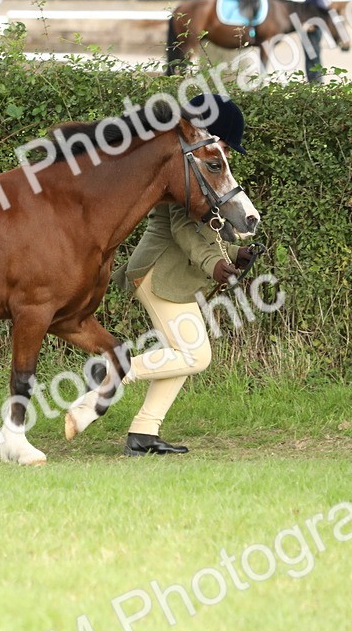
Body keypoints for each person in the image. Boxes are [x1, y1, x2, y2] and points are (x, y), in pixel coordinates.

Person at [110, 95, 258, 456]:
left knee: (182, 355)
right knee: (196, 356)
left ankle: (143, 433)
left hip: (170, 276)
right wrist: (214, 266)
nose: (224, 151)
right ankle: (116, 370)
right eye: (222, 143)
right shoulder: (183, 168)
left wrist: (236, 253)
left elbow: (206, 228)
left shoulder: (200, 163)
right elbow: (184, 229)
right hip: (157, 273)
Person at [302, 0, 332, 84]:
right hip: (309, 30)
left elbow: (323, 11)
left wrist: (313, 25)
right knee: (310, 58)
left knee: (314, 58)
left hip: (314, 30)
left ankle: (317, 84)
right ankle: (312, 84)